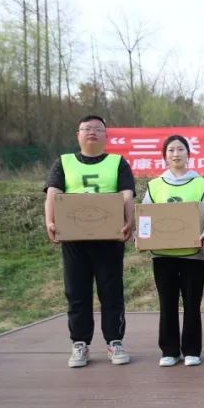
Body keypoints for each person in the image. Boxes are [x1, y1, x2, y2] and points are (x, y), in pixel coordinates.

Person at [44, 114, 135, 368]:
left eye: (97, 129)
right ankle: (80, 343)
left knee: (112, 292)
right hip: (75, 240)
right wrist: (50, 222)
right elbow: (52, 194)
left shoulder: (117, 163)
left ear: (106, 135)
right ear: (78, 135)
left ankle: (114, 341)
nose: (92, 132)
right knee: (77, 293)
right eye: (86, 128)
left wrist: (129, 221)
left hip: (109, 239)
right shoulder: (64, 162)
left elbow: (127, 195)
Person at [140, 135, 204, 367]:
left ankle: (192, 349)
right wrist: (141, 237)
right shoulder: (155, 186)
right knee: (167, 303)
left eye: (180, 149)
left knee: (192, 303)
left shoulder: (201, 184)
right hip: (163, 255)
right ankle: (169, 350)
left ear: (188, 154)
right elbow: (145, 217)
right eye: (171, 150)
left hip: (193, 254)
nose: (176, 154)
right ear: (165, 155)